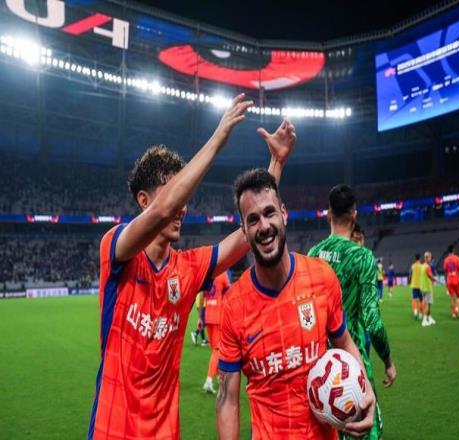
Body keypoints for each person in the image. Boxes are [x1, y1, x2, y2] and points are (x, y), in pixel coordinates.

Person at [87, 94, 296, 440]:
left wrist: (276, 163)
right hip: (112, 430)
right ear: (143, 200)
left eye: (184, 197)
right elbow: (163, 210)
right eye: (175, 192)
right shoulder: (116, 249)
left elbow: (246, 237)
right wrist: (218, 137)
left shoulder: (186, 269)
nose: (183, 207)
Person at [217, 170, 376, 440]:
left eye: (269, 213)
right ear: (243, 229)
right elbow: (227, 399)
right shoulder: (234, 305)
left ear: (284, 214)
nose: (264, 226)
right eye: (252, 219)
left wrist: (365, 387)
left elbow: (345, 342)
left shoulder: (322, 277)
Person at [308, 184, 396, 440]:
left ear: (328, 213)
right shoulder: (362, 257)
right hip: (352, 365)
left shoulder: (313, 255)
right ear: (354, 215)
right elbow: (372, 321)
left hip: (320, 369)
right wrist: (388, 361)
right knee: (367, 431)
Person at [202, 270, 232, 394]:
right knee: (217, 350)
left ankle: (221, 382)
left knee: (215, 351)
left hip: (208, 316)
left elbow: (202, 296)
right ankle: (209, 380)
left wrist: (201, 317)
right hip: (218, 316)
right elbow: (230, 292)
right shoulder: (223, 274)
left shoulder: (207, 274)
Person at [443, 245, 459, 319]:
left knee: (452, 297)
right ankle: (456, 310)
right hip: (456, 280)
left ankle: (453, 314)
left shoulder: (446, 260)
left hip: (449, 280)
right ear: (453, 250)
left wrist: (446, 282)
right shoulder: (457, 258)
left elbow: (445, 272)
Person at [420, 251, 437, 327]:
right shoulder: (427, 267)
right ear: (427, 258)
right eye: (430, 257)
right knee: (427, 304)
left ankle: (429, 317)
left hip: (423, 288)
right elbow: (430, 276)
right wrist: (434, 279)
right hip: (427, 288)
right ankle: (424, 320)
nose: (431, 258)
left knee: (428, 304)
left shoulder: (422, 266)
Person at [409, 254, 423, 320]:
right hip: (421, 286)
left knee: (414, 299)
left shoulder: (413, 266)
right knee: (421, 300)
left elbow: (410, 275)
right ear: (420, 258)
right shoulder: (422, 266)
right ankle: (420, 314)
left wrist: (409, 281)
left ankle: (415, 312)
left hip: (414, 285)